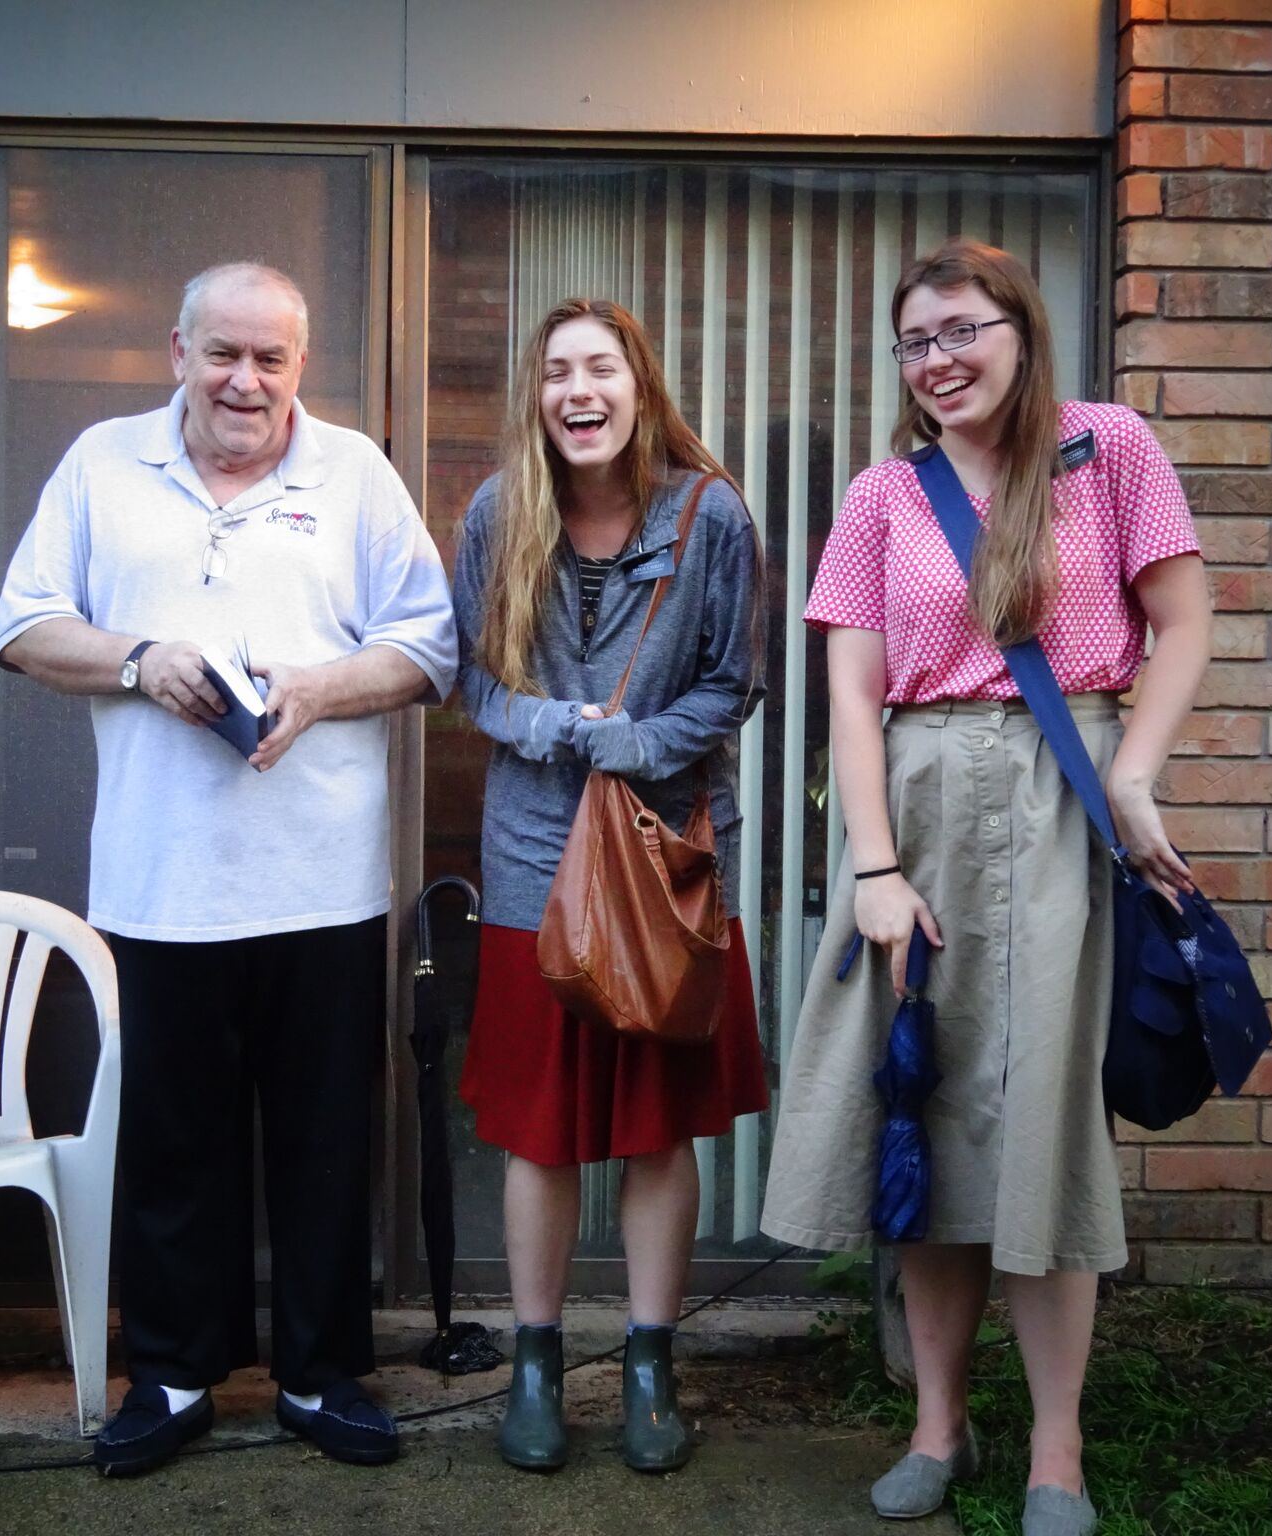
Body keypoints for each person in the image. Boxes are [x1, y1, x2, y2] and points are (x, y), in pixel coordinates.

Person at [760, 239, 1211, 1536]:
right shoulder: (881, 496)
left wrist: (1135, 776)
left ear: (1021, 329)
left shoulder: (1107, 449)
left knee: (1048, 1126)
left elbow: (1184, 620)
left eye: (961, 330)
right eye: (916, 341)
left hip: (1064, 802)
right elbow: (851, 697)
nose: (938, 360)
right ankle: (937, 1424)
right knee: (929, 1110)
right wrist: (873, 869)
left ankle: (1055, 1452)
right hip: (921, 809)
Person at [0, 262, 457, 1476]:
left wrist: (319, 687)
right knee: (173, 1148)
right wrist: (138, 660)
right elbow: (23, 626)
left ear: (300, 366)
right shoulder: (102, 464)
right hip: (160, 884)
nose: (244, 382)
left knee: (322, 1142)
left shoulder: (353, 474)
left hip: (322, 883)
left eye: (269, 359)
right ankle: (174, 1375)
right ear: (177, 351)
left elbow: (427, 645)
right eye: (222, 354)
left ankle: (320, 1377)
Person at [451, 298, 768, 1474]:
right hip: (534, 863)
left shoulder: (709, 513)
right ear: (534, 397)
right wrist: (548, 723)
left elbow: (734, 682)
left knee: (654, 1128)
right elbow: (472, 677)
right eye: (555, 373)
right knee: (537, 1133)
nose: (576, 392)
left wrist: (632, 742)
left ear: (638, 387)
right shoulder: (497, 513)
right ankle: (534, 1365)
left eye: (599, 369)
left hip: (664, 859)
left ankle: (647, 1365)